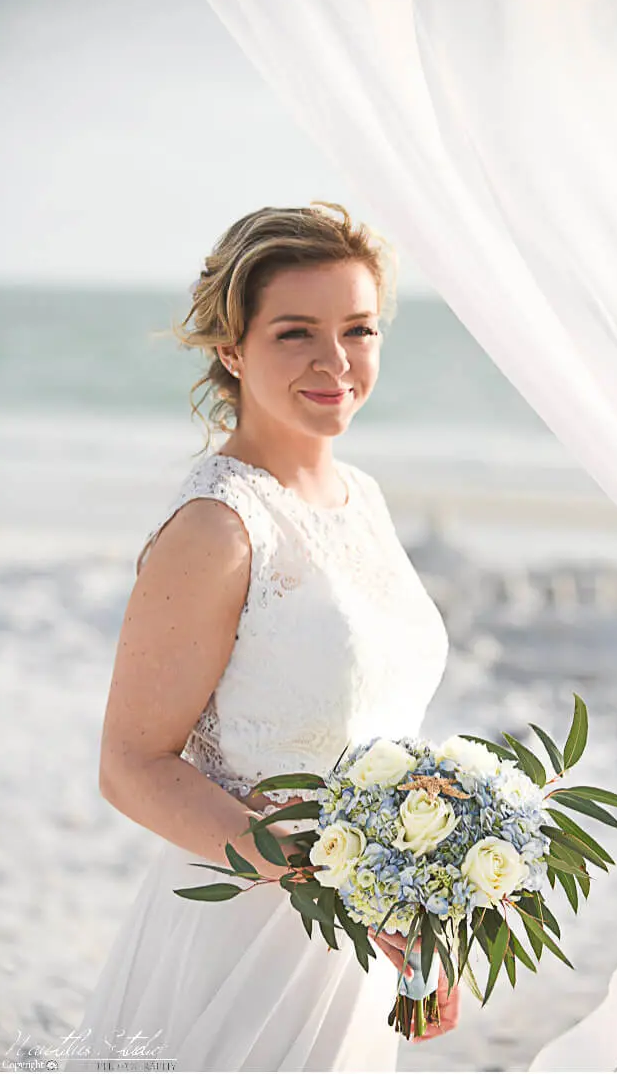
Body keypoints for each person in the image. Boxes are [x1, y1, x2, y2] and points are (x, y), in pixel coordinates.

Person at [77, 203, 458, 1069]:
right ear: (232, 349)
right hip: (245, 937)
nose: (337, 362)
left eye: (358, 329)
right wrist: (325, 877)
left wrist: (430, 895)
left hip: (364, 932)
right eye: (296, 333)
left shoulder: (363, 496)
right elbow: (130, 765)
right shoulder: (216, 527)